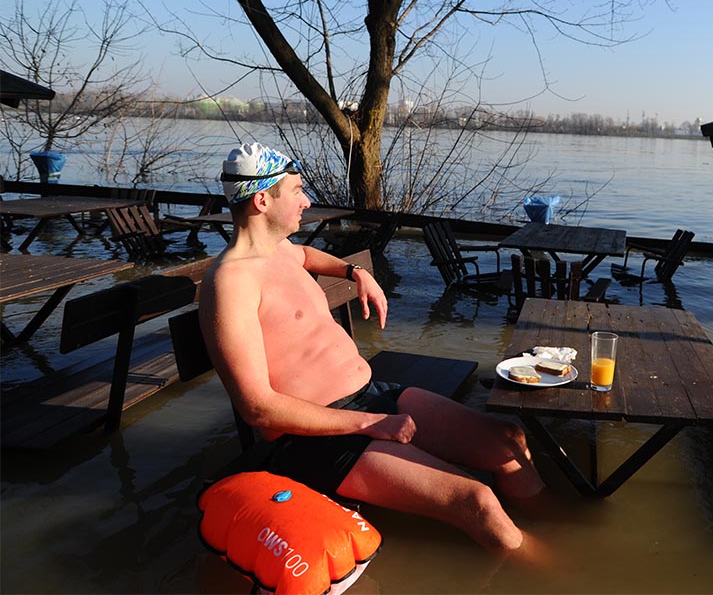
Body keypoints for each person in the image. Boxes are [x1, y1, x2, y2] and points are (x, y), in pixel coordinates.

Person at [199, 142, 545, 551]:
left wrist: (356, 271)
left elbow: (307, 255)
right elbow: (256, 406)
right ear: (261, 200)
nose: (306, 202)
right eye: (296, 191)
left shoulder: (280, 250)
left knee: (510, 441)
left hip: (371, 395)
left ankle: (554, 530)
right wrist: (369, 425)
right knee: (477, 500)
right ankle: (557, 577)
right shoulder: (230, 284)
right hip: (318, 436)